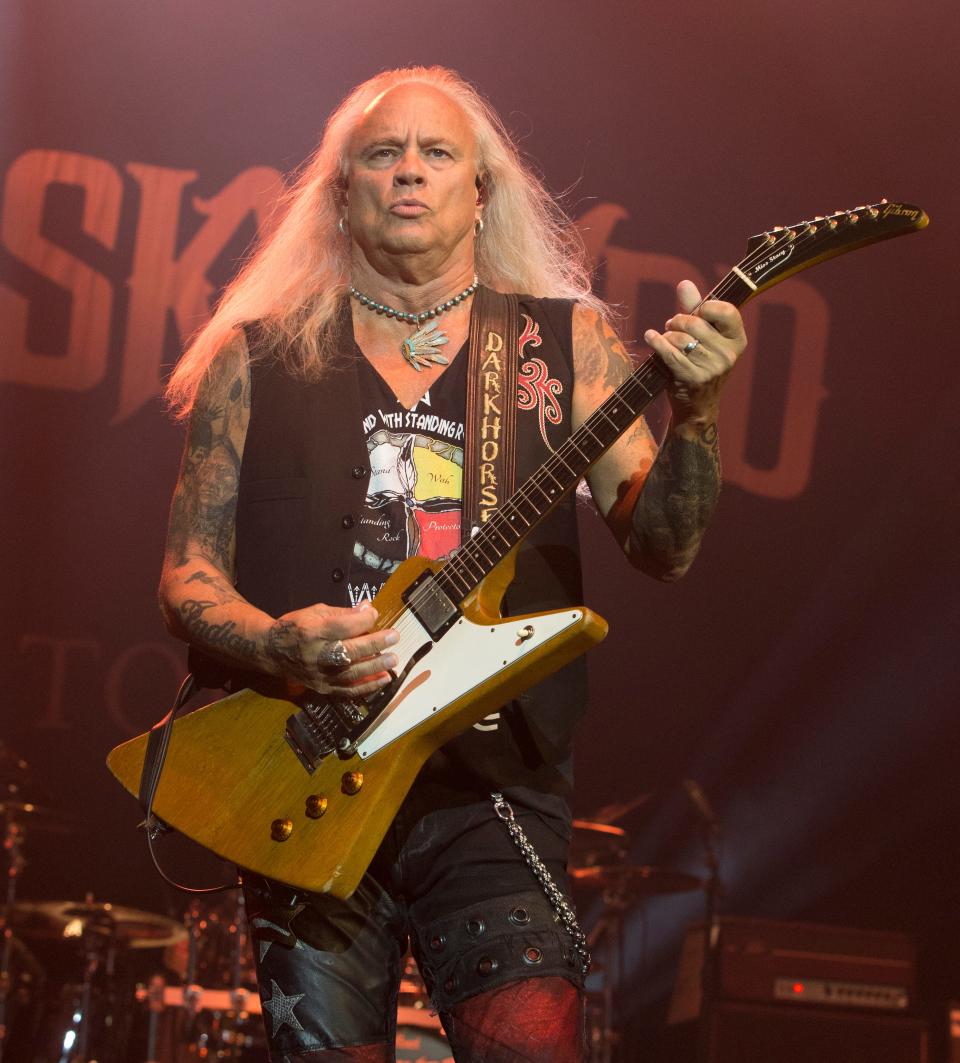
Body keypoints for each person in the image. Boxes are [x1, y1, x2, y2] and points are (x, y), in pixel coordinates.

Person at [158, 66, 746, 1062]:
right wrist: (275, 642)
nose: (409, 174)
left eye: (438, 154)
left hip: (494, 787)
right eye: (382, 154)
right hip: (313, 773)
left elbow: (666, 548)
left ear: (483, 192)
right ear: (340, 192)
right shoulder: (252, 358)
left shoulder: (562, 348)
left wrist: (700, 412)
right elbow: (187, 578)